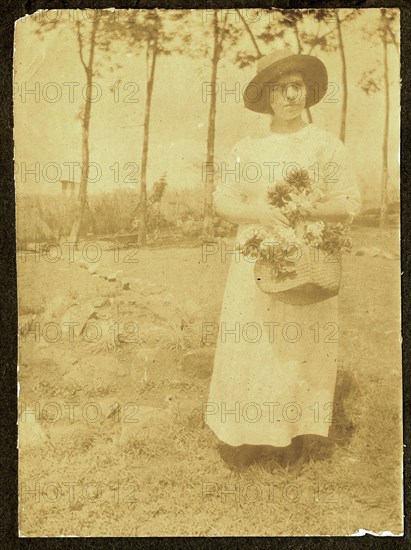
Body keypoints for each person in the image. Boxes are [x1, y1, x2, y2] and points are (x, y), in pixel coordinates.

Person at [205, 49, 362, 475]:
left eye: (298, 87)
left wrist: (307, 210)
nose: (292, 95)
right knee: (251, 343)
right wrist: (258, 214)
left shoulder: (324, 145)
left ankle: (291, 436)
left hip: (304, 256)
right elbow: (222, 198)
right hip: (254, 255)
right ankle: (245, 437)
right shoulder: (248, 147)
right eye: (281, 88)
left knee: (296, 347)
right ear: (266, 96)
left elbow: (349, 202)